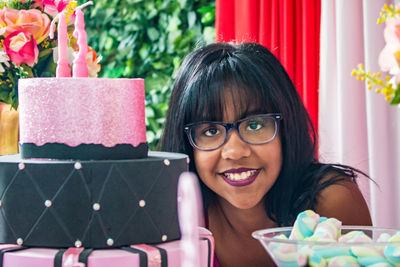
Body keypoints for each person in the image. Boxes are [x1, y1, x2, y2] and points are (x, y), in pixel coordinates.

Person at [160, 42, 372, 267]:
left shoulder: (332, 205)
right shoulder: (175, 216)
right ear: (187, 145)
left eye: (254, 125)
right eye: (210, 131)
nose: (235, 152)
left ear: (286, 128)